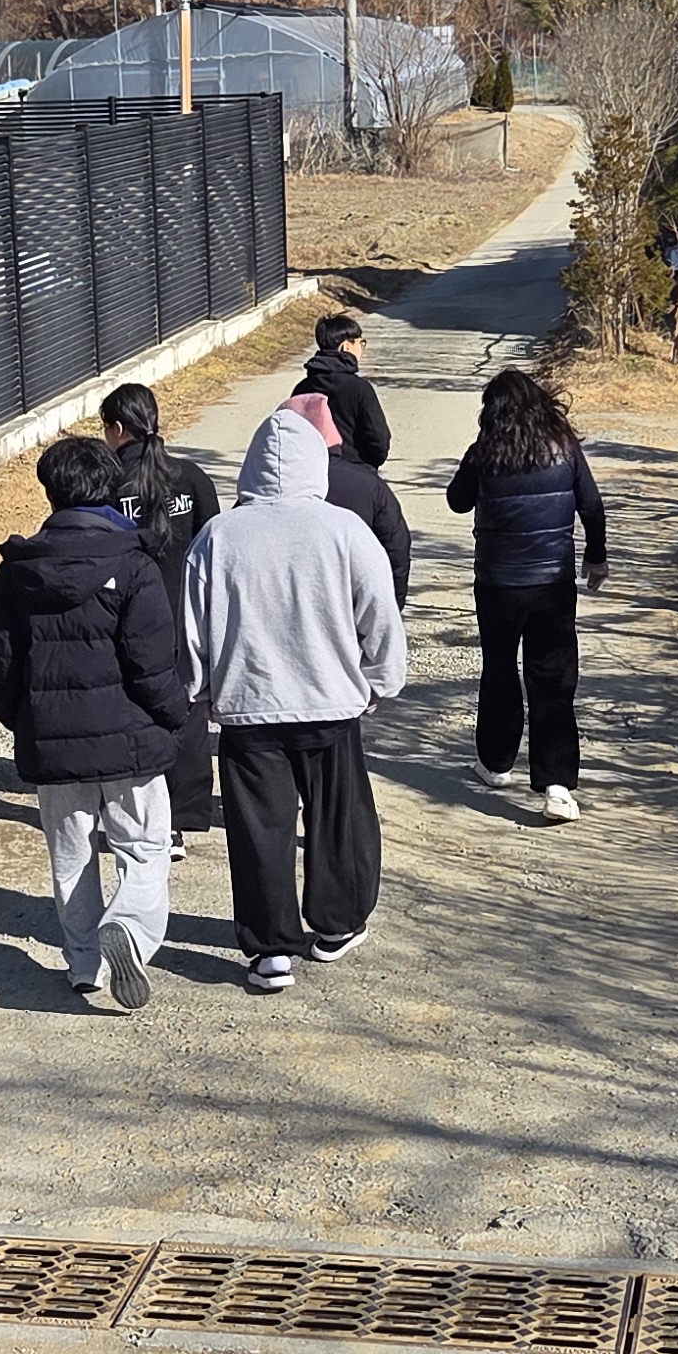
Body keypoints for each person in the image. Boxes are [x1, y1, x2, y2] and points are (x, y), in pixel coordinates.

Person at [185, 409, 408, 993]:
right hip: (331, 705)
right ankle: (337, 924)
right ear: (316, 464)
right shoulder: (344, 530)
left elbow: (192, 627)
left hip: (248, 707)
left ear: (251, 466)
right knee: (338, 818)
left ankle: (270, 951)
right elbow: (380, 613)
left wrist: (199, 688)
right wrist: (382, 680)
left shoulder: (219, 536)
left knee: (260, 830)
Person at [0, 436, 192, 1007]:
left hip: (52, 739)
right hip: (131, 740)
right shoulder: (134, 564)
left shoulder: (18, 571)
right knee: (144, 847)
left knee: (70, 854)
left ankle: (83, 965)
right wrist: (176, 716)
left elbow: (1, 659)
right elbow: (153, 663)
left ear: (50, 492)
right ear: (109, 489)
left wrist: (21, 719)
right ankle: (128, 927)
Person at [445, 367, 610, 823]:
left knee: (500, 670)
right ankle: (557, 787)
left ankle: (496, 765)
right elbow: (591, 505)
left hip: (498, 585)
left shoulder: (484, 453)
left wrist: (477, 465)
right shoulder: (565, 448)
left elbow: (457, 501)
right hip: (552, 584)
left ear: (493, 412)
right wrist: (596, 557)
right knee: (553, 679)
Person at [99, 381, 221, 837]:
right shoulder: (191, 477)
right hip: (189, 616)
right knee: (188, 709)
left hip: (128, 618)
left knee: (136, 711)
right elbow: (215, 544)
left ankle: (149, 821)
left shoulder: (108, 484)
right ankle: (185, 813)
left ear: (116, 428)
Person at [287, 389, 416, 605]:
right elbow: (396, 548)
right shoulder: (369, 486)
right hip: (350, 611)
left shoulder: (261, 489)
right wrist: (389, 608)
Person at [299, 313, 394, 470]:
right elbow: (379, 440)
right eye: (360, 343)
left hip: (313, 472)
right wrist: (367, 466)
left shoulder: (302, 389)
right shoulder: (359, 389)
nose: (362, 349)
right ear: (346, 347)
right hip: (355, 471)